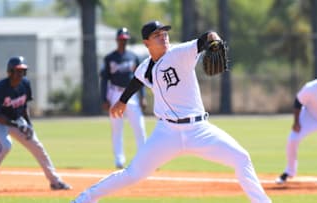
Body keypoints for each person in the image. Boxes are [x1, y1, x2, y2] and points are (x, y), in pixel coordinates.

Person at [72, 20, 271, 203]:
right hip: (166, 133)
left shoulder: (180, 53)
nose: (164, 36)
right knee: (133, 174)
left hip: (199, 130)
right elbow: (136, 80)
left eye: (165, 32)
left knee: (241, 158)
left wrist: (215, 40)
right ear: (146, 43)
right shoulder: (146, 67)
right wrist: (122, 101)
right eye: (157, 34)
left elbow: (207, 36)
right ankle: (85, 199)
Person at [0, 56, 71, 190]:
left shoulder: (25, 84)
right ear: (10, 72)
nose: (20, 74)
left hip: (17, 120)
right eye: (17, 71)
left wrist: (29, 125)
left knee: (37, 147)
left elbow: (24, 107)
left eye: (22, 71)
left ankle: (55, 181)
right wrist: (16, 125)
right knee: (5, 146)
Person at [100, 27, 147, 169]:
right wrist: (104, 98)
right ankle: (119, 160)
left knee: (139, 126)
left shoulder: (133, 57)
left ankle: (145, 158)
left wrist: (142, 96)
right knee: (117, 128)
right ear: (117, 40)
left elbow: (140, 78)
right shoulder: (110, 58)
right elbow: (104, 80)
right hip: (114, 93)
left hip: (131, 94)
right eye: (121, 39)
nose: (123, 42)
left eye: (125, 40)